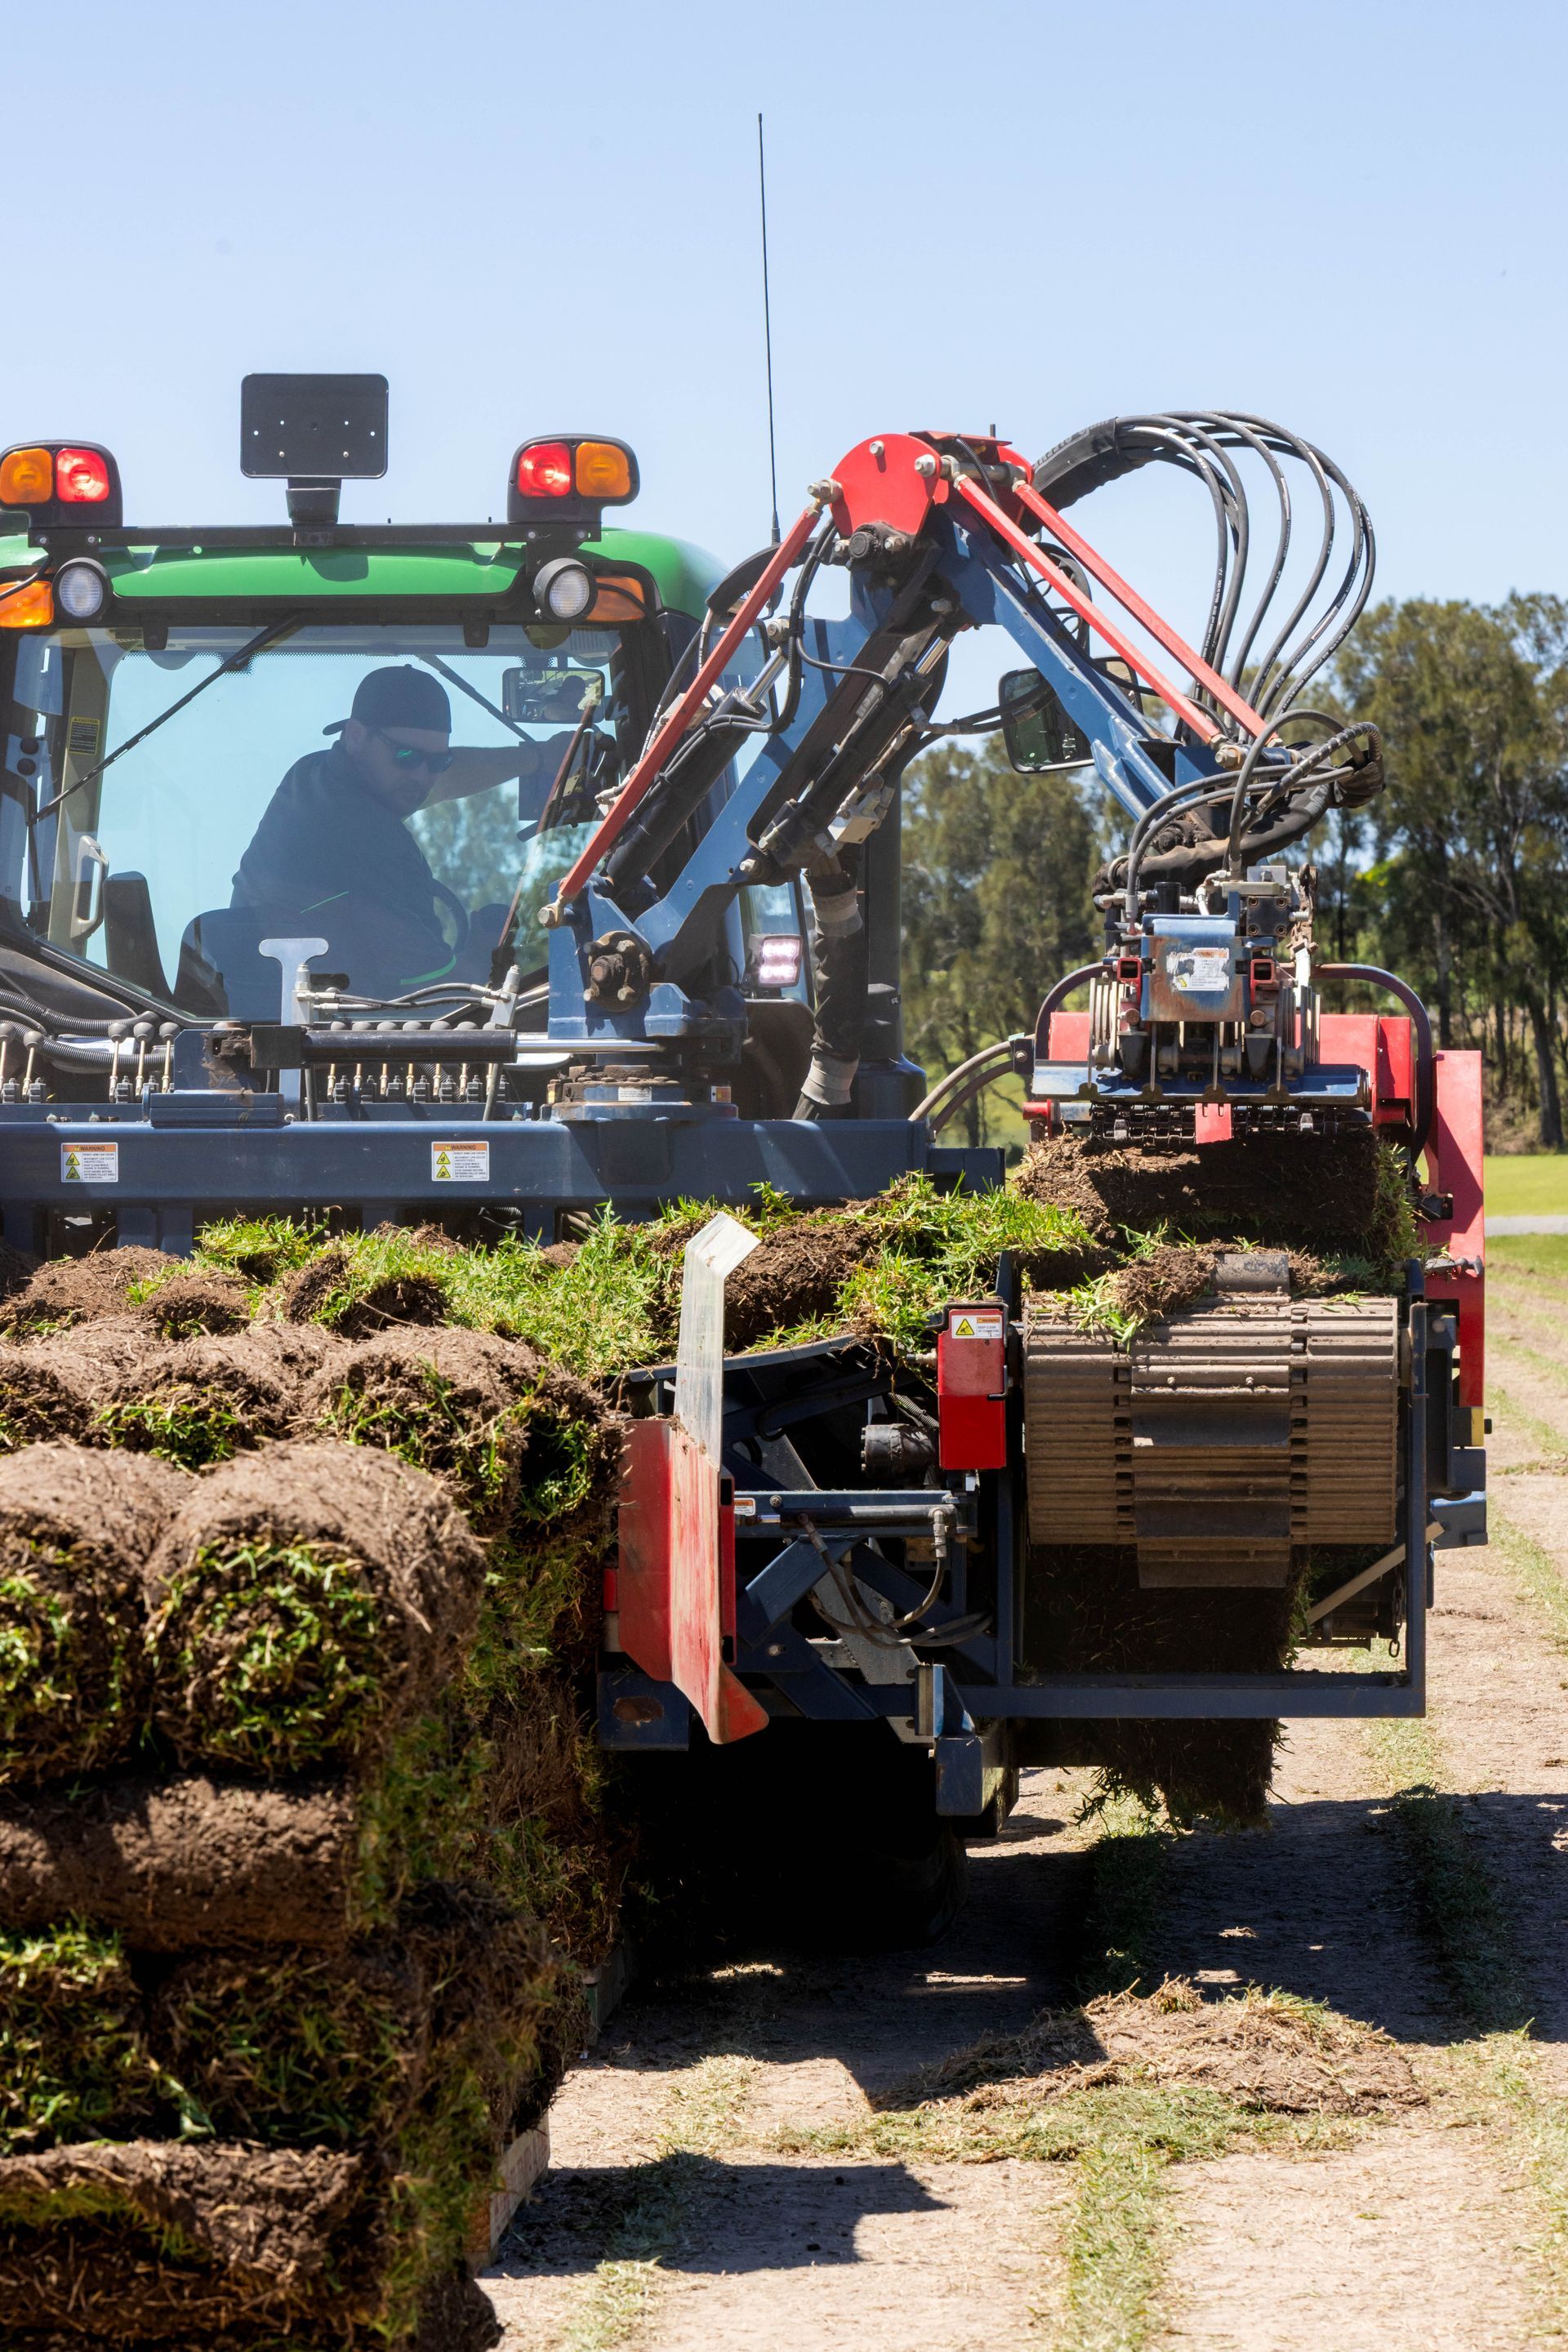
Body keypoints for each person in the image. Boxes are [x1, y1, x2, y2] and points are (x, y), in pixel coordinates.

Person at [231, 665, 556, 997]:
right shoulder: (377, 849)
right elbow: (440, 991)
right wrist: (488, 953)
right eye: (406, 756)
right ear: (357, 736)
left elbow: (436, 781)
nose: (422, 777)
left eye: (437, 762)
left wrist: (537, 758)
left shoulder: (311, 776)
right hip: (325, 1028)